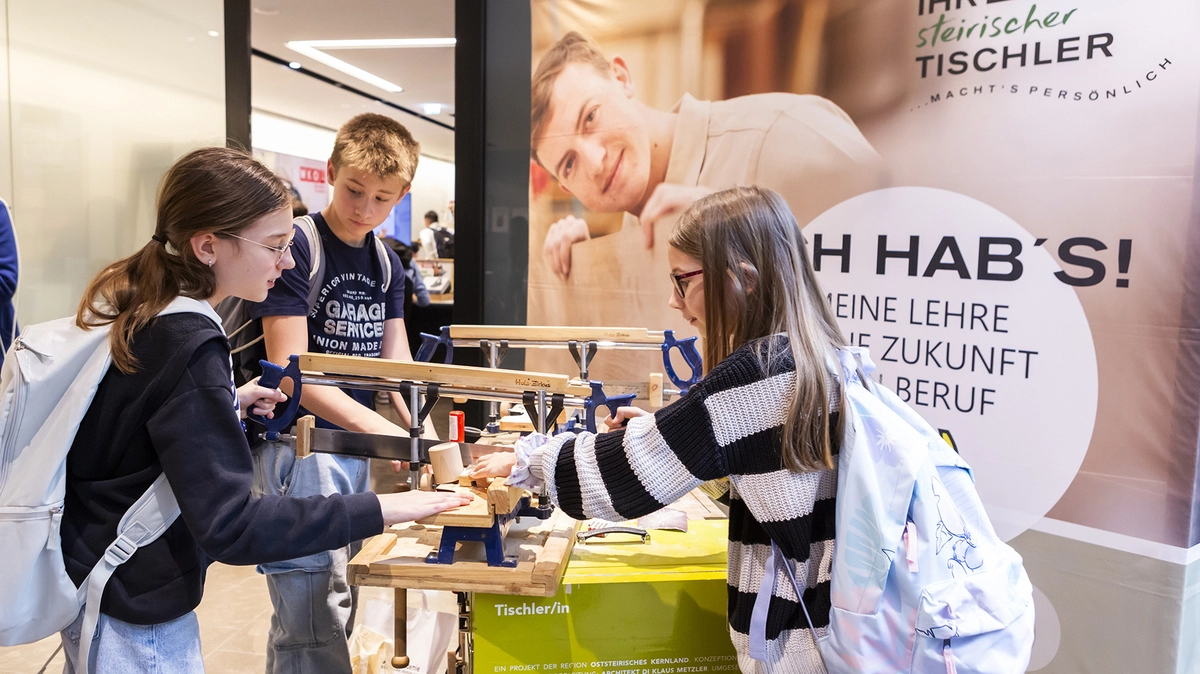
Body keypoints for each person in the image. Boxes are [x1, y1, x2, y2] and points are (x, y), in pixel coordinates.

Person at [61, 147, 470, 674]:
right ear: (208, 246)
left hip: (113, 584)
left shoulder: (151, 309)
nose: (290, 261)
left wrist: (225, 405)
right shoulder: (190, 341)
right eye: (277, 246)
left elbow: (134, 431)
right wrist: (391, 507)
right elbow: (232, 525)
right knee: (311, 620)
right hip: (134, 600)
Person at [473, 186, 844, 672]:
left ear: (744, 279)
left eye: (682, 280)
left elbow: (624, 480)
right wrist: (670, 432)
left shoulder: (755, 375)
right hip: (833, 628)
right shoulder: (820, 357)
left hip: (796, 642)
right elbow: (767, 478)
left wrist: (529, 458)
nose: (674, 300)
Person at [247, 113, 429, 673]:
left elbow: (395, 360)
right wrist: (387, 433)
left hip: (350, 452)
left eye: (381, 197)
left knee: (338, 599)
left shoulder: (386, 262)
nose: (364, 208)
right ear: (331, 171)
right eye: (354, 190)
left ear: (401, 195)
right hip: (296, 451)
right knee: (309, 618)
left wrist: (419, 429)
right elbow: (290, 367)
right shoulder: (298, 246)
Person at [532, 31, 884, 280]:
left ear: (622, 78)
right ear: (566, 188)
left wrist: (743, 230)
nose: (595, 163)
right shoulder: (635, 233)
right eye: (570, 163)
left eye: (591, 116)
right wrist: (588, 271)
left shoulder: (784, 132)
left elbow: (903, 279)